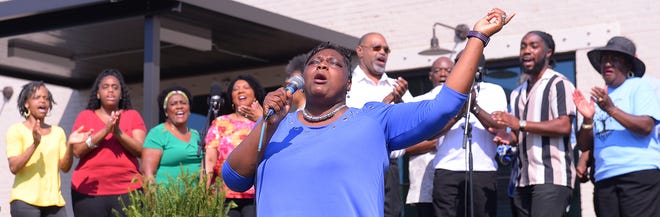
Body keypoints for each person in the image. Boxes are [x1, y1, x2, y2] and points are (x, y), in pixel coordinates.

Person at [222, 8, 511, 217]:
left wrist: (477, 37)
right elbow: (234, 178)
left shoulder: (373, 119)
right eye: (315, 62)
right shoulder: (279, 126)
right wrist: (267, 123)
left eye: (333, 63)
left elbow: (444, 105)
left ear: (349, 83)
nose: (321, 65)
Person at [491, 31, 576, 217]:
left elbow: (564, 126)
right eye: (523, 46)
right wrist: (509, 137)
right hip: (522, 182)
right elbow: (520, 132)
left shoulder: (558, 84)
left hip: (551, 179)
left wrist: (519, 124)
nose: (526, 51)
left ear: (548, 52)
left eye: (533, 46)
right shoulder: (516, 93)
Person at [573, 36, 660, 217]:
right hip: (604, 177)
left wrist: (611, 109)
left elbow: (646, 126)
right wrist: (588, 120)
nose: (607, 63)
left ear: (628, 64)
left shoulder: (638, 86)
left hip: (638, 174)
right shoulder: (600, 96)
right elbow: (583, 145)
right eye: (604, 59)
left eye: (615, 58)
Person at [431, 51, 507, 217]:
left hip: (483, 169)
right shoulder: (441, 92)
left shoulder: (495, 90)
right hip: (447, 169)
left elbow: (500, 126)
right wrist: (459, 111)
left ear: (479, 69)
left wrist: (474, 108)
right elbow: (432, 132)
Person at [346, 32, 413, 217]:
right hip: (355, 163)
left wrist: (399, 102)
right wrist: (390, 100)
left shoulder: (396, 86)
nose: (382, 52)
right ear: (360, 51)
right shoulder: (347, 85)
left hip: (389, 165)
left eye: (386, 49)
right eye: (376, 48)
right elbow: (357, 124)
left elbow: (415, 123)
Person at [70, 69, 147, 217]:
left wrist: (117, 132)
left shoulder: (132, 116)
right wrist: (105, 131)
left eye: (115, 87)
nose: (110, 90)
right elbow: (77, 151)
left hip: (128, 190)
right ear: (98, 94)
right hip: (88, 192)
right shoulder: (85, 116)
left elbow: (141, 150)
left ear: (121, 94)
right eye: (105, 87)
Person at [6, 81, 89, 217]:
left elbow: (65, 167)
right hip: (24, 202)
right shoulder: (16, 130)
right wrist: (35, 144)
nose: (43, 101)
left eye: (46, 98)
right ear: (26, 104)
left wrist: (70, 145)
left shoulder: (58, 132)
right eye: (37, 97)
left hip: (54, 203)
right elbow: (14, 167)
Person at [205, 74, 265, 217]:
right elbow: (209, 161)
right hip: (224, 193)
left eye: (246, 87)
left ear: (255, 94)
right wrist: (204, 191)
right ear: (231, 98)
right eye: (235, 89)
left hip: (255, 194)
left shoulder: (264, 122)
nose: (240, 91)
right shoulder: (220, 122)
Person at [403, 56, 454, 217]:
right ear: (430, 75)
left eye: (448, 70)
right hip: (425, 181)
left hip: (454, 181)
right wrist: (439, 141)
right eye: (438, 70)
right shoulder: (417, 103)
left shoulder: (462, 103)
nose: (443, 74)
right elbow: (407, 147)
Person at [142, 86, 202, 185]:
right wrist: (152, 199)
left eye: (183, 103)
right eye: (174, 104)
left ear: (189, 109)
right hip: (165, 199)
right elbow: (148, 173)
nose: (179, 106)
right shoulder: (157, 133)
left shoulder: (196, 135)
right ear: (166, 112)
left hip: (195, 199)